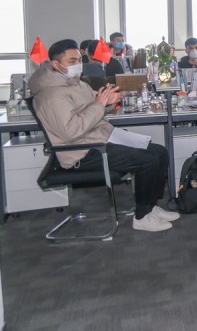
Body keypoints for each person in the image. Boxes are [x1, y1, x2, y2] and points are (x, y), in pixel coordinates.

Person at [28, 39, 175, 232]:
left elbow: (97, 108)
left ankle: (150, 206)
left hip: (100, 139)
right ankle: (142, 217)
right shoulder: (51, 95)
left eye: (79, 60)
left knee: (160, 152)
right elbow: (71, 132)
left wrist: (109, 101)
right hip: (83, 152)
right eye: (72, 61)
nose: (78, 64)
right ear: (56, 64)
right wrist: (99, 104)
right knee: (147, 160)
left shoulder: (76, 84)